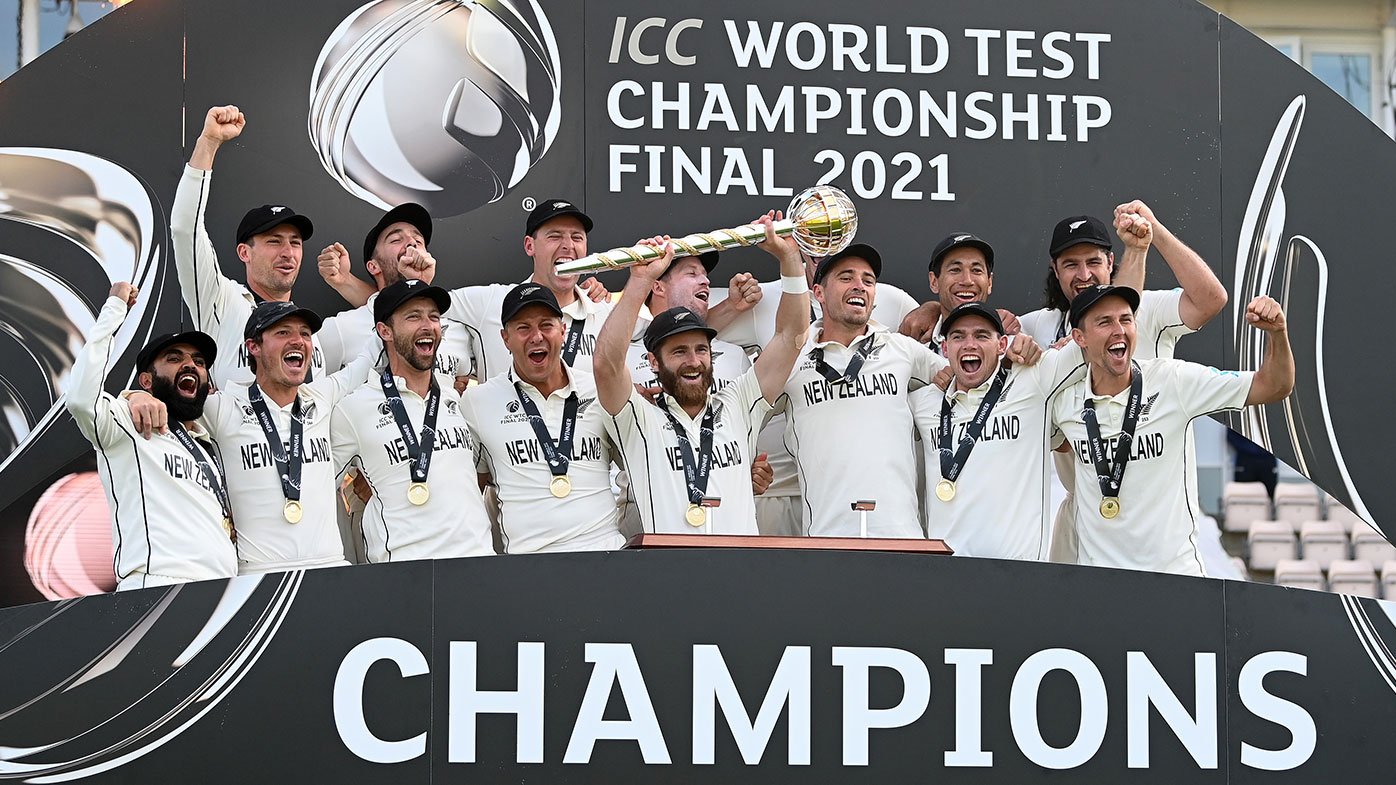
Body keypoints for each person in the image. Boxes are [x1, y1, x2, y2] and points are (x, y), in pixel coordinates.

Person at [776, 243, 1035, 538]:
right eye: (846, 278)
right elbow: (741, 414)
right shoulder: (791, 359)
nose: (859, 286)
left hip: (903, 537)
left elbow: (972, 379)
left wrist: (1015, 351)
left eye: (868, 280)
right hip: (825, 537)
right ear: (818, 293)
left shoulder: (904, 349)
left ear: (875, 297)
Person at [1021, 205, 1224, 563]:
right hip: (1085, 514)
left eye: (1093, 262)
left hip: (1157, 522)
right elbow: (973, 339)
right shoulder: (1038, 326)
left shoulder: (1148, 309)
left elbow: (1211, 300)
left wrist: (1154, 232)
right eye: (1070, 265)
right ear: (1055, 271)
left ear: (1111, 260)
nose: (1084, 274)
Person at [1050, 285, 1293, 575]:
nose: (1119, 330)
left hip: (1176, 579)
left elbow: (1274, 386)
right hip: (1101, 584)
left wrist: (1278, 333)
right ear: (1080, 338)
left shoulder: (1173, 380)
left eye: (1126, 319)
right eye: (1105, 322)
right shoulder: (1064, 402)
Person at [594, 214, 809, 534]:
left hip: (738, 571)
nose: (693, 361)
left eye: (701, 349)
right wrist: (639, 281)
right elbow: (606, 365)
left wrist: (790, 257)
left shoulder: (739, 403)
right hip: (668, 570)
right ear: (654, 362)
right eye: (679, 352)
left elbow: (791, 335)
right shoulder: (641, 417)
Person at [127, 302, 378, 574]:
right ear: (253, 347)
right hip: (257, 576)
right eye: (283, 332)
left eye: (305, 334)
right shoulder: (223, 407)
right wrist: (134, 396)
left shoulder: (322, 397)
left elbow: (368, 357)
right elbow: (170, 395)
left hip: (328, 567)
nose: (298, 341)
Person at [66, 282, 236, 590]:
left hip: (220, 592)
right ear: (147, 380)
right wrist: (114, 310)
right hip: (157, 588)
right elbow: (80, 399)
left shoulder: (210, 443)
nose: (190, 364)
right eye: (174, 358)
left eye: (199, 362)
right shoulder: (128, 423)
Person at [331, 279, 493, 561]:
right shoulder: (353, 408)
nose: (428, 325)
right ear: (385, 331)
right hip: (401, 572)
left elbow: (480, 473)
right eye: (413, 316)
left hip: (476, 563)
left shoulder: (459, 399)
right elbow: (313, 486)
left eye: (433, 316)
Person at [910, 303, 1084, 559]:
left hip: (1017, 576)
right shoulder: (923, 402)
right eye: (958, 336)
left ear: (1002, 345)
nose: (969, 344)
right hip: (947, 577)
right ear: (945, 348)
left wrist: (1069, 340)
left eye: (981, 335)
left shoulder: (1034, 379)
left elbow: (1099, 339)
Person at [616, 250, 770, 534]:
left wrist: (743, 473)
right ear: (657, 286)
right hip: (645, 515)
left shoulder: (735, 355)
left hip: (723, 521)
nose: (706, 282)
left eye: (706, 276)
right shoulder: (623, 355)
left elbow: (737, 434)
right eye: (692, 273)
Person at [461, 284, 624, 552]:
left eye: (546, 325)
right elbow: (470, 492)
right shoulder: (477, 402)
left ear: (563, 331)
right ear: (505, 339)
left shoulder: (599, 390)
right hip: (529, 566)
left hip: (605, 556)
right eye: (523, 328)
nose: (536, 336)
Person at [171, 105, 324, 386]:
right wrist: (208, 143)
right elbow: (185, 230)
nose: (288, 252)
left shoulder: (312, 334)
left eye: (295, 243)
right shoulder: (221, 301)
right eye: (274, 241)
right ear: (245, 252)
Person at [314, 203, 476, 388]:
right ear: (373, 266)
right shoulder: (341, 328)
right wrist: (346, 281)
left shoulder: (458, 327)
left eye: (418, 240)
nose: (411, 243)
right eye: (396, 240)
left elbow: (479, 384)